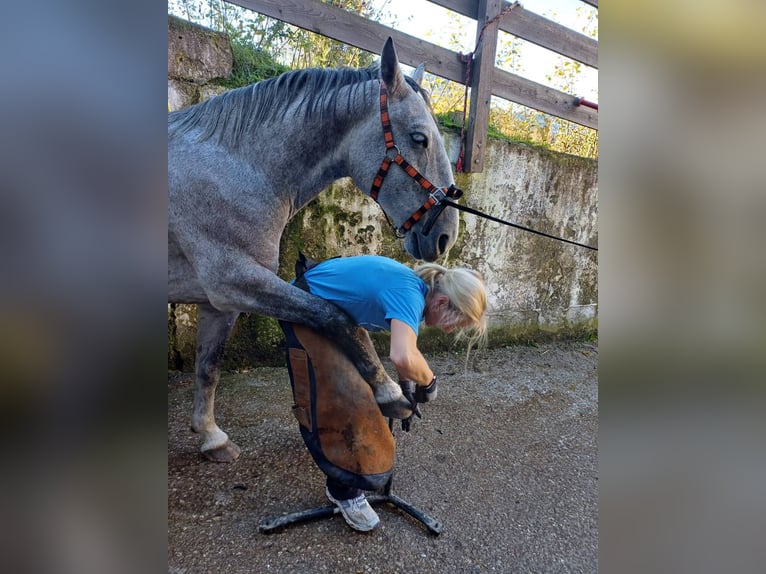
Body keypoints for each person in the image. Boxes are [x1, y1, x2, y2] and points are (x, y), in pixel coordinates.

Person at [295, 254, 488, 532]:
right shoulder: (409, 294)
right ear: (443, 302)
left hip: (334, 316)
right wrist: (429, 382)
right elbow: (403, 356)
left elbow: (406, 350)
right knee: (353, 401)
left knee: (373, 387)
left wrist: (406, 388)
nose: (448, 330)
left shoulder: (416, 291)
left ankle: (336, 453)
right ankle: (343, 491)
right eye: (454, 323)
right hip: (304, 305)